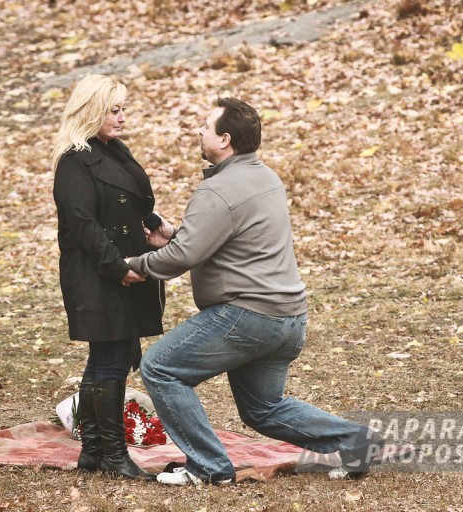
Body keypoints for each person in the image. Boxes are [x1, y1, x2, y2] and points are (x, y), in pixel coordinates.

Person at [126, 97, 384, 485]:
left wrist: (132, 267)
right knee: (262, 409)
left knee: (160, 368)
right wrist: (175, 235)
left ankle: (208, 468)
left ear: (225, 139)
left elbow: (182, 259)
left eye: (206, 125)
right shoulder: (266, 177)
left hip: (248, 317)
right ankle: (358, 440)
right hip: (289, 318)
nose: (199, 130)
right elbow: (220, 240)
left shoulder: (217, 191)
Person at [50, 74, 165, 481]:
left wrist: (156, 226)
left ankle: (95, 450)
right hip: (99, 271)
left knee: (105, 357)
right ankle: (113, 454)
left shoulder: (114, 150)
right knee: (111, 356)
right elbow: (83, 224)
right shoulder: (74, 161)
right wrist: (118, 269)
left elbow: (131, 204)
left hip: (121, 264)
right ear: (92, 110)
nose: (121, 117)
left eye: (123, 109)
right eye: (114, 110)